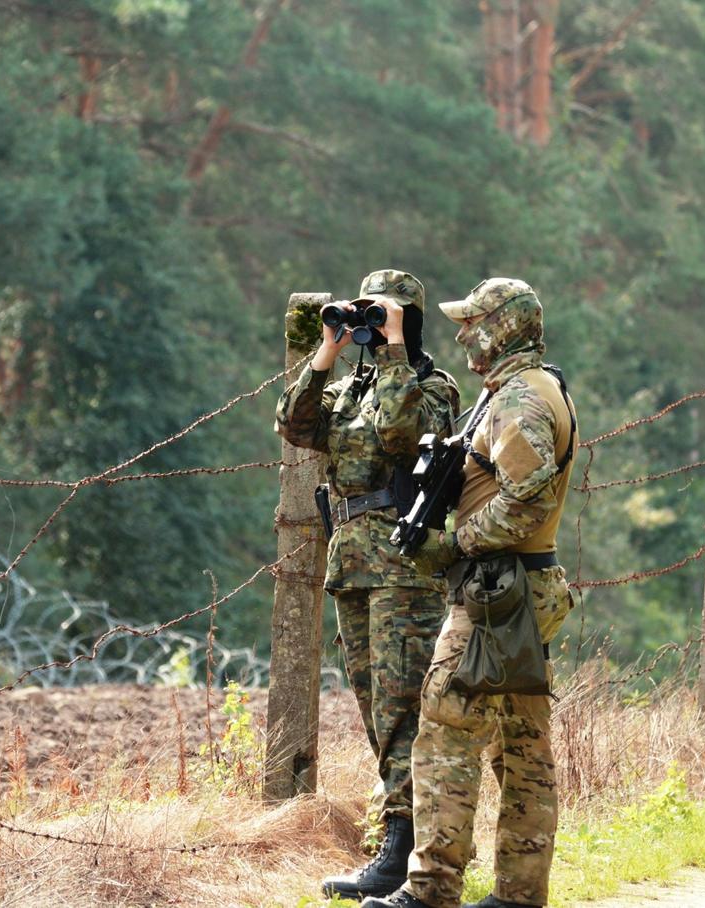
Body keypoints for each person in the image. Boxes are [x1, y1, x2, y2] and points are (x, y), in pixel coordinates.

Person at [362, 278, 577, 908]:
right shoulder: (525, 390)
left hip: (497, 590)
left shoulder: (520, 401)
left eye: (473, 323)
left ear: (501, 328)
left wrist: (455, 545)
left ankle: (430, 891)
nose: (461, 335)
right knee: (521, 747)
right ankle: (518, 895)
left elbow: (524, 500)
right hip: (521, 586)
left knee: (444, 733)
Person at [275, 269, 460, 900]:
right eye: (369, 316)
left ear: (410, 318)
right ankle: (399, 846)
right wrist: (327, 349)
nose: (372, 327)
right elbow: (297, 427)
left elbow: (402, 435)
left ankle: (405, 850)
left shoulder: (431, 385)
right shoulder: (351, 386)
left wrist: (394, 347)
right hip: (352, 563)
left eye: (386, 314)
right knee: (373, 711)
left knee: (402, 710)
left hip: (404, 570)